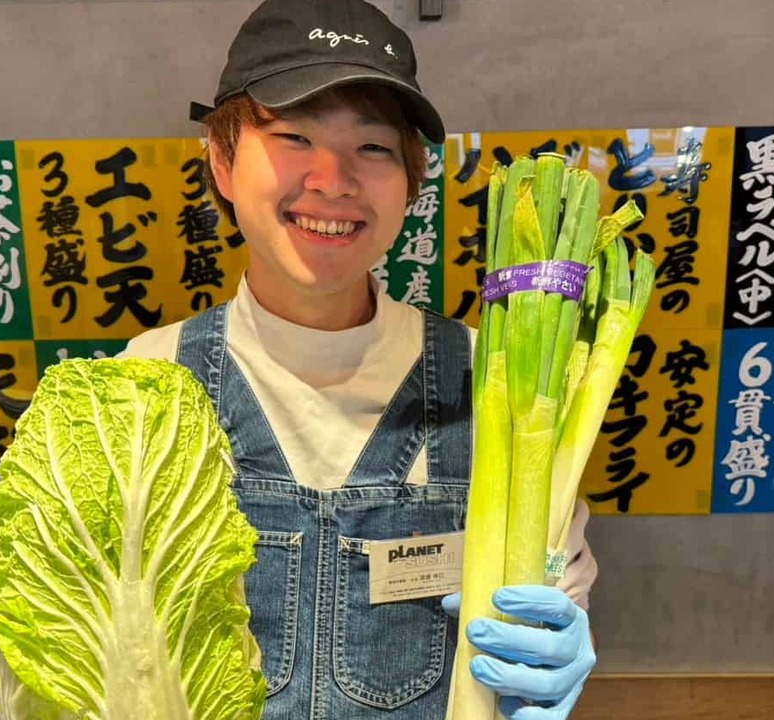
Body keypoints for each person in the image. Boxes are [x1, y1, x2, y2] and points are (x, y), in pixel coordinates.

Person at [120, 0, 597, 717]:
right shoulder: (141, 383)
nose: (332, 180)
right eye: (292, 136)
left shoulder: (492, 378)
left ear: (411, 181)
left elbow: (556, 580)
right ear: (221, 160)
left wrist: (553, 651)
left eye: (373, 148)